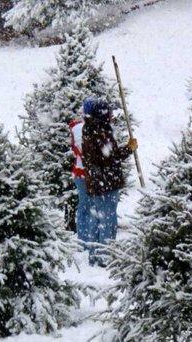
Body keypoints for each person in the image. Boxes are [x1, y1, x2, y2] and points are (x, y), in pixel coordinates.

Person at [81, 98, 138, 266]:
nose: (112, 116)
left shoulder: (89, 128)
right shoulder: (100, 131)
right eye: (109, 113)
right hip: (106, 182)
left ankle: (94, 254)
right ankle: (106, 257)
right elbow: (109, 157)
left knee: (96, 217)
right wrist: (129, 149)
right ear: (102, 115)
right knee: (107, 218)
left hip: (95, 181)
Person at [69, 112, 92, 242]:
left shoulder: (76, 128)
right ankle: (85, 238)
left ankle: (83, 236)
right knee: (87, 205)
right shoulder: (81, 130)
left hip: (79, 172)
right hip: (84, 172)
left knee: (84, 205)